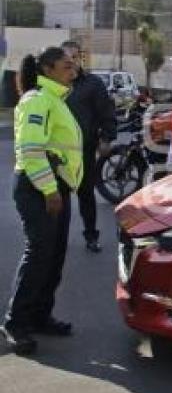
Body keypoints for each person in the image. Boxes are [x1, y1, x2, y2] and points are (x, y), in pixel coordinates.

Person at [2, 48, 84, 355]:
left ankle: (39, 315)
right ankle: (15, 323)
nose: (72, 70)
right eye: (66, 66)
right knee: (38, 254)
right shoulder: (37, 100)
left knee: (54, 255)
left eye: (73, 65)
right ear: (48, 70)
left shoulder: (56, 99)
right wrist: (50, 190)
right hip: (37, 187)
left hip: (54, 188)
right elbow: (32, 150)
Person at [63, 40, 117, 253]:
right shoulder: (54, 86)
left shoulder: (93, 84)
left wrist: (106, 139)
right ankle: (57, 239)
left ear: (80, 58)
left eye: (75, 57)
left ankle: (91, 236)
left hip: (84, 151)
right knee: (59, 198)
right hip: (59, 154)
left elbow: (107, 112)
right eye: (67, 59)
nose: (72, 62)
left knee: (86, 195)